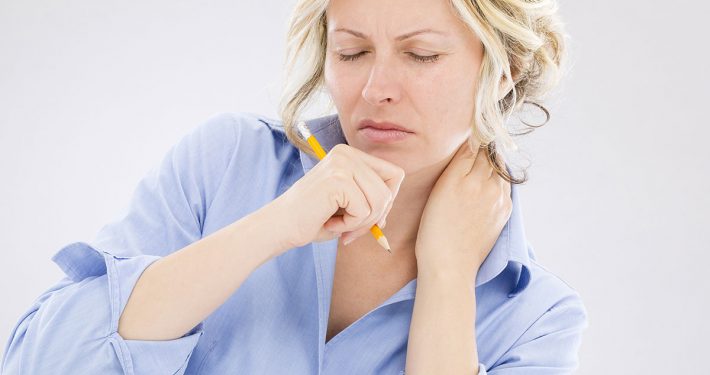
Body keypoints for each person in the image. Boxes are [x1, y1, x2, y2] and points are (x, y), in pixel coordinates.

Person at [2, 0, 588, 373]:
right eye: (352, 51)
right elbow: (43, 362)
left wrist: (447, 278)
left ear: (503, 69)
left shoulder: (537, 318)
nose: (377, 87)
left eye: (421, 55)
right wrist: (274, 227)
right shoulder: (225, 164)